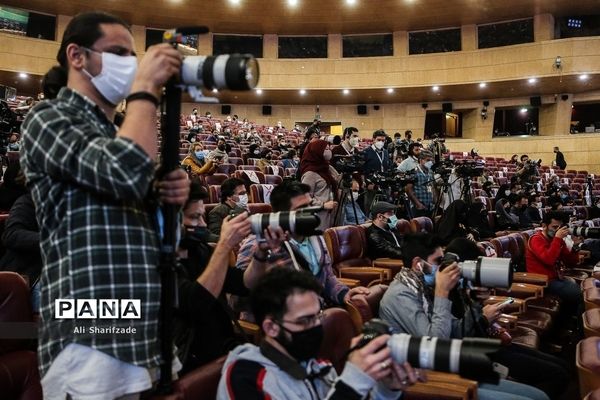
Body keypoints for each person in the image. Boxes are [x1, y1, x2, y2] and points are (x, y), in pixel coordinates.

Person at [20, 12, 190, 399]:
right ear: (76, 56)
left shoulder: (123, 132)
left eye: (134, 56)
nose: (130, 65)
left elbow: (168, 242)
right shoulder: (48, 117)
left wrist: (170, 205)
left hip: (142, 323)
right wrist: (145, 89)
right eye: (117, 52)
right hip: (87, 323)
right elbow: (124, 172)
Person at [379, 234, 561, 400]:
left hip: (456, 363)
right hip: (431, 378)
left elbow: (455, 331)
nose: (443, 267)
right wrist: (442, 293)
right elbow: (436, 344)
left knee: (539, 395)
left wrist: (475, 305)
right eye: (438, 261)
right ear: (418, 263)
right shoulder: (400, 295)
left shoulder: (423, 288)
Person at [217, 268, 420, 399]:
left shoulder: (315, 364)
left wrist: (387, 389)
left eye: (317, 317)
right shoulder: (245, 376)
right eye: (305, 320)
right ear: (271, 327)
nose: (316, 327)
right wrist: (353, 381)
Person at [174, 180, 277, 373]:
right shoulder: (151, 265)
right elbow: (196, 301)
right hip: (189, 364)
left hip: (224, 350)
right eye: (195, 218)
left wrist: (261, 253)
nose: (203, 225)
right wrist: (224, 245)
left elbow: (244, 283)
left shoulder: (199, 251)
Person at [235, 180, 369, 307]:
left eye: (311, 205)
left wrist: (343, 293)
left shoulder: (315, 237)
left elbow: (327, 278)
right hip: (280, 321)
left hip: (315, 312)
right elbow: (239, 298)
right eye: (303, 209)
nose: (311, 212)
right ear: (282, 214)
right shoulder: (258, 242)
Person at [526, 211, 584, 328]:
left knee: (582, 290)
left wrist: (575, 247)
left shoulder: (557, 240)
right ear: (544, 226)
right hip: (542, 281)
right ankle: (579, 329)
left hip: (556, 278)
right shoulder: (536, 239)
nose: (557, 230)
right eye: (554, 227)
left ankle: (569, 324)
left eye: (560, 227)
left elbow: (571, 262)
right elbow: (548, 259)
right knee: (579, 294)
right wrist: (557, 239)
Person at [299, 139, 339, 231]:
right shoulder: (310, 174)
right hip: (317, 217)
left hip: (331, 215)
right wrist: (323, 205)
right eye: (326, 149)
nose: (329, 152)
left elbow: (338, 179)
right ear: (317, 151)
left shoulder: (328, 168)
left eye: (329, 149)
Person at [405, 150, 435, 218]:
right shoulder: (413, 172)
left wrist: (434, 201)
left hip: (430, 206)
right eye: (428, 160)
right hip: (418, 207)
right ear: (421, 160)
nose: (430, 162)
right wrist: (418, 204)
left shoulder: (431, 172)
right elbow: (408, 189)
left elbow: (432, 186)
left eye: (432, 160)